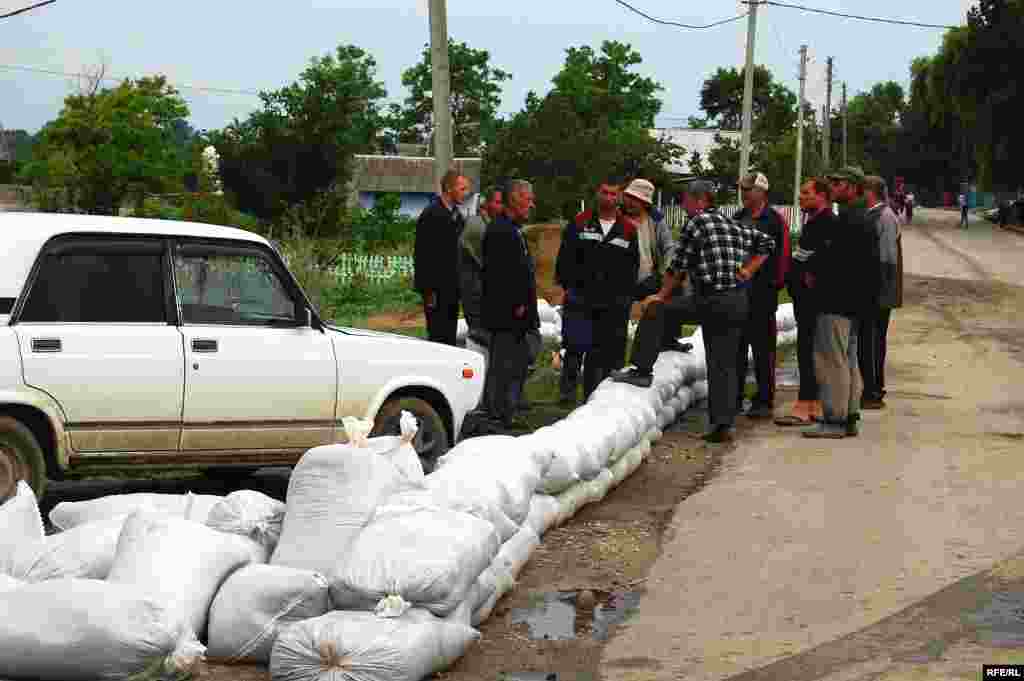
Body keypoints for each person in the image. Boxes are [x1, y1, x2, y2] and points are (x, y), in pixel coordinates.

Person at [613, 180, 775, 443]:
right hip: (736, 302)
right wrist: (748, 270)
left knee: (657, 310)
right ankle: (722, 424)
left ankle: (642, 370)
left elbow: (678, 266)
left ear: (701, 201)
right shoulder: (733, 224)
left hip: (710, 300)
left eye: (686, 200)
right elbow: (767, 244)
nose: (683, 205)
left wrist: (660, 296)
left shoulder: (697, 222)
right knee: (722, 364)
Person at [804, 166, 879, 438]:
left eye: (837, 182)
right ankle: (849, 415)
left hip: (837, 301)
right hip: (854, 304)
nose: (832, 185)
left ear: (853, 187)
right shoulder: (860, 217)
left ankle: (834, 420)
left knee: (831, 360)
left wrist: (814, 268)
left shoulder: (849, 220)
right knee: (847, 360)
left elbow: (838, 262)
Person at [555, 177, 639, 404]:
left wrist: (624, 298)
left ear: (619, 196)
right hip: (580, 299)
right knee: (573, 346)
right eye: (605, 193)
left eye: (613, 194)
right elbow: (565, 260)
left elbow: (632, 268)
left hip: (611, 303)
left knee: (601, 352)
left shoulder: (628, 230)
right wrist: (569, 288)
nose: (609, 198)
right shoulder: (580, 223)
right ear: (597, 194)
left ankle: (596, 395)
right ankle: (567, 392)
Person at [775, 178, 834, 427]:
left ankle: (807, 403)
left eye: (806, 193)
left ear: (821, 196)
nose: (801, 197)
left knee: (810, 349)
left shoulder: (826, 223)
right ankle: (812, 402)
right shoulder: (813, 222)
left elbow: (818, 259)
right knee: (809, 349)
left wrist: (805, 272)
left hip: (814, 299)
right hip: (805, 297)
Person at [482, 179, 540, 428]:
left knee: (514, 364)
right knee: (504, 365)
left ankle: (506, 410)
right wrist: (516, 305)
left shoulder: (512, 229)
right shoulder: (500, 230)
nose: (531, 204)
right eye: (528, 199)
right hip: (507, 315)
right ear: (515, 199)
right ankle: (499, 414)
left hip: (516, 314)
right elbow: (501, 276)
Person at [733, 172, 791, 419]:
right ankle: (734, 397)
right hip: (737, 291)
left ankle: (764, 399)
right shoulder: (738, 218)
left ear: (762, 192)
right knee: (736, 347)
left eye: (749, 189)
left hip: (763, 293)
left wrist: (775, 285)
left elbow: (784, 256)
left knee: (763, 349)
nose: (744, 194)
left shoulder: (775, 221)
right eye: (742, 189)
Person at [628, 179, 692, 354]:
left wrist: (667, 273)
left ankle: (669, 339)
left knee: (675, 286)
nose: (631, 202)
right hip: (621, 278)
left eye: (637, 199)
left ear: (645, 203)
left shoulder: (655, 220)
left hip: (646, 277)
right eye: (630, 197)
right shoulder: (618, 218)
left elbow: (669, 247)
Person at [859, 176, 903, 410]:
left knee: (874, 340)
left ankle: (874, 391)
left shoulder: (884, 216)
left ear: (869, 192)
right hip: (875, 289)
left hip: (878, 291)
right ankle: (871, 387)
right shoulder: (875, 214)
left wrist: (879, 290)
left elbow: (887, 258)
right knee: (870, 340)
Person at [414, 170, 470, 345]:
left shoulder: (457, 216)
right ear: (448, 189)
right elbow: (422, 255)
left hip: (452, 287)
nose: (466, 193)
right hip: (436, 290)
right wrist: (428, 291)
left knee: (449, 335)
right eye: (462, 189)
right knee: (438, 336)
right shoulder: (431, 214)